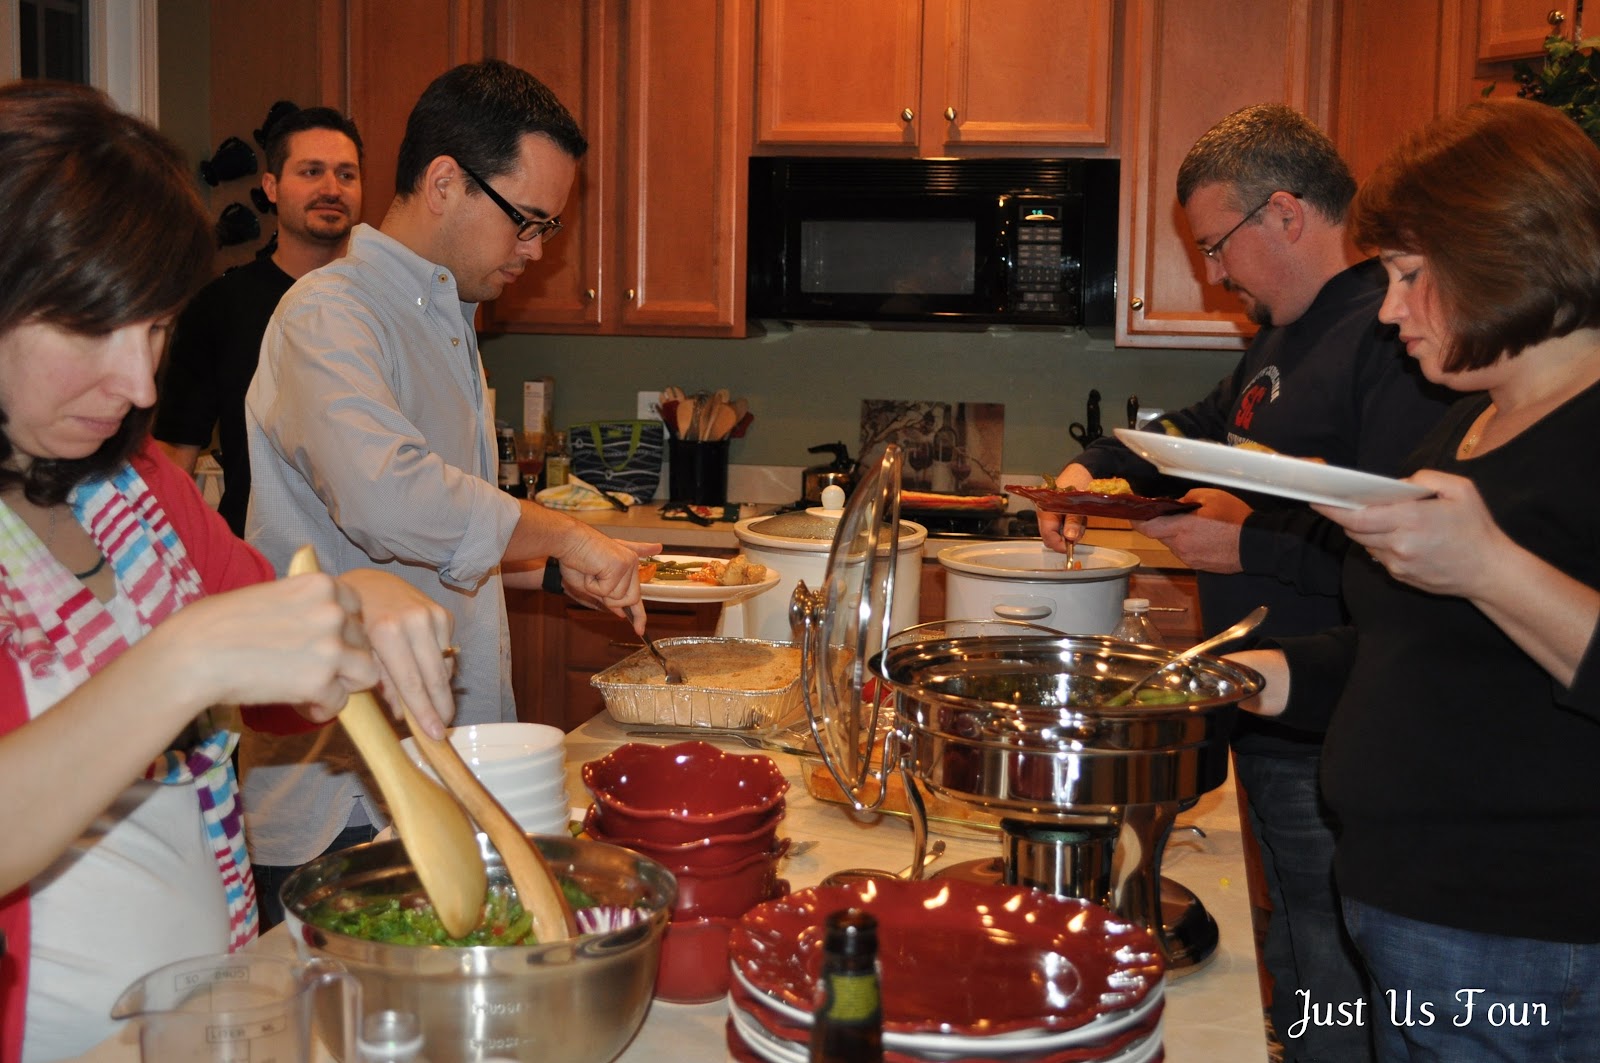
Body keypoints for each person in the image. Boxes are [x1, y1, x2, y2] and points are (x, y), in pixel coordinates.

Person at [0, 81, 457, 1063]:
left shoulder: (140, 488)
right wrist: (185, 658)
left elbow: (279, 691)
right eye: (92, 329)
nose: (138, 383)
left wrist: (346, 610)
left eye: (155, 330)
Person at [1039, 104, 1453, 1063]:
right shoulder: (1283, 338)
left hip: (1332, 727)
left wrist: (1249, 549)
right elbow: (1197, 428)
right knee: (1298, 951)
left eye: (1216, 245)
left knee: (1334, 966)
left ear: (1285, 213)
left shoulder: (1389, 342)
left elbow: (1415, 559)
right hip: (1270, 717)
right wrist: (1095, 467)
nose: (1213, 273)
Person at [241, 59, 656, 925]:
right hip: (347, 796)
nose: (536, 250)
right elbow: (389, 501)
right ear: (444, 184)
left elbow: (428, 550)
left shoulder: (448, 322)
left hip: (439, 770)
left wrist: (554, 570)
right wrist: (565, 534)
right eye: (527, 221)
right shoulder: (330, 315)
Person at [1228, 97, 1600, 1062]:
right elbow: (1416, 646)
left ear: (1501, 254)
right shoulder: (1467, 421)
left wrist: (1490, 564)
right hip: (1408, 912)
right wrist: (1254, 676)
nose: (1389, 310)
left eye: (1407, 274)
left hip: (1525, 943)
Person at [153, 105, 364, 535]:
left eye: (346, 174)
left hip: (373, 556)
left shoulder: (386, 301)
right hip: (256, 554)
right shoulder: (220, 306)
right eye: (311, 172)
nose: (331, 188)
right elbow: (176, 453)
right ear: (271, 187)